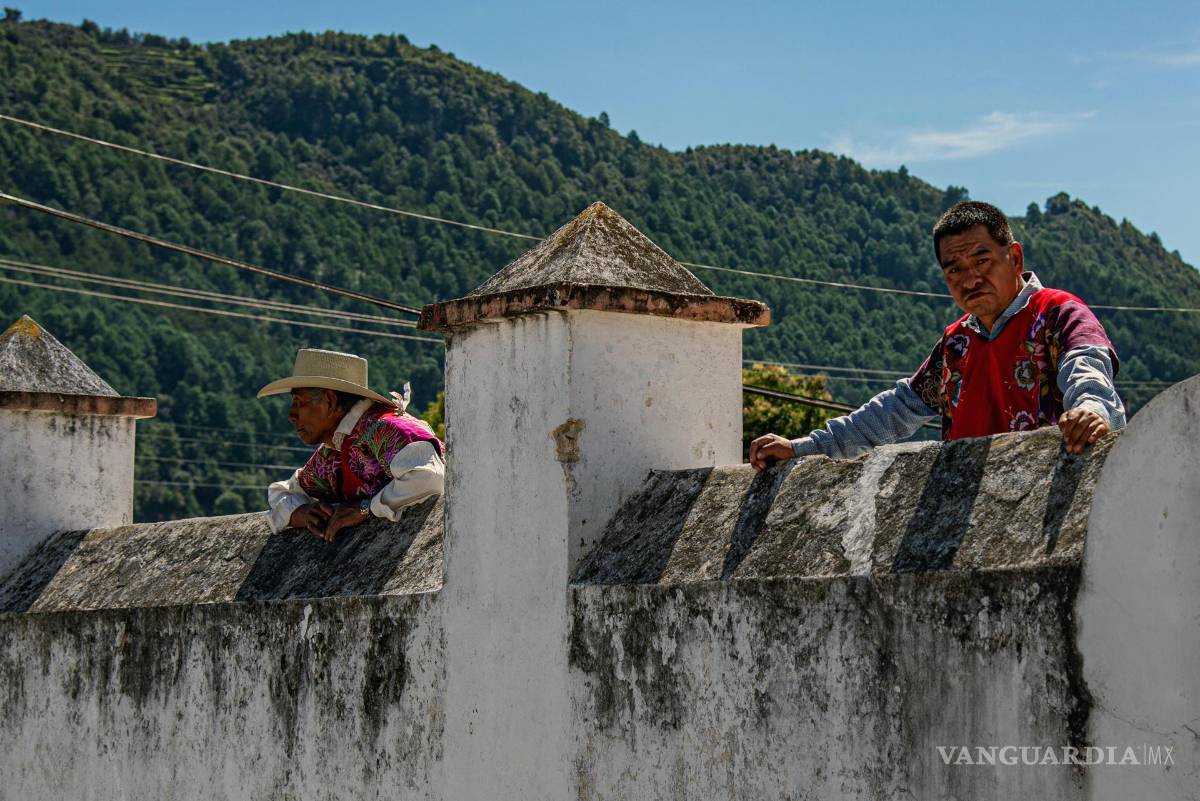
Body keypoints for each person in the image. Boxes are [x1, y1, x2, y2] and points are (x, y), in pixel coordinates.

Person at [749, 200, 1125, 469]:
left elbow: (1086, 367)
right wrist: (806, 449)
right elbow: (895, 410)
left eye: (982, 261)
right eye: (954, 269)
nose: (970, 279)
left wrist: (1090, 409)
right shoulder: (956, 344)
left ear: (1014, 258)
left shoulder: (1057, 313)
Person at [258, 348, 445, 541]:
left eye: (299, 401)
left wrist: (366, 509)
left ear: (329, 401)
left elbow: (430, 478)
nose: (292, 415)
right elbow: (282, 493)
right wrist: (302, 512)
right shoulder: (332, 452)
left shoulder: (388, 428)